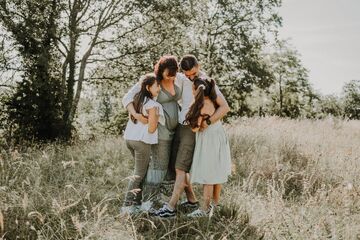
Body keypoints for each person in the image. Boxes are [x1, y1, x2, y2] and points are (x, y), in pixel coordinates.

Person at [154, 55, 230, 218]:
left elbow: (224, 107)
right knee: (177, 166)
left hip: (196, 128)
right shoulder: (181, 78)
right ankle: (192, 200)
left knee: (188, 168)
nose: (191, 78)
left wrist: (207, 122)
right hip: (182, 125)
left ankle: (173, 207)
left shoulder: (205, 82)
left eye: (193, 73)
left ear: (198, 66)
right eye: (187, 75)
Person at [122, 55, 185, 207]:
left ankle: (164, 198)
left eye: (173, 74)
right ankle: (149, 200)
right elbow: (127, 98)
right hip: (159, 132)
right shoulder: (151, 81)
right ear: (161, 71)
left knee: (171, 165)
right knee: (158, 165)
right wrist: (136, 114)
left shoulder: (179, 78)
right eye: (168, 74)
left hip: (175, 130)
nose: (171, 77)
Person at [186, 77, 231, 217]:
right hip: (218, 136)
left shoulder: (200, 106)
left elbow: (195, 128)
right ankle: (216, 204)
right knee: (216, 171)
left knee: (208, 174)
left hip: (209, 139)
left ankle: (204, 209)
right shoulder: (213, 103)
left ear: (195, 90)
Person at [120, 73, 164, 214]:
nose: (159, 88)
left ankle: (136, 203)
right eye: (157, 86)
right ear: (148, 87)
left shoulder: (138, 99)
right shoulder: (152, 105)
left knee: (140, 171)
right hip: (141, 141)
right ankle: (127, 206)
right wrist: (155, 118)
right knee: (138, 174)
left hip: (130, 139)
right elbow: (151, 129)